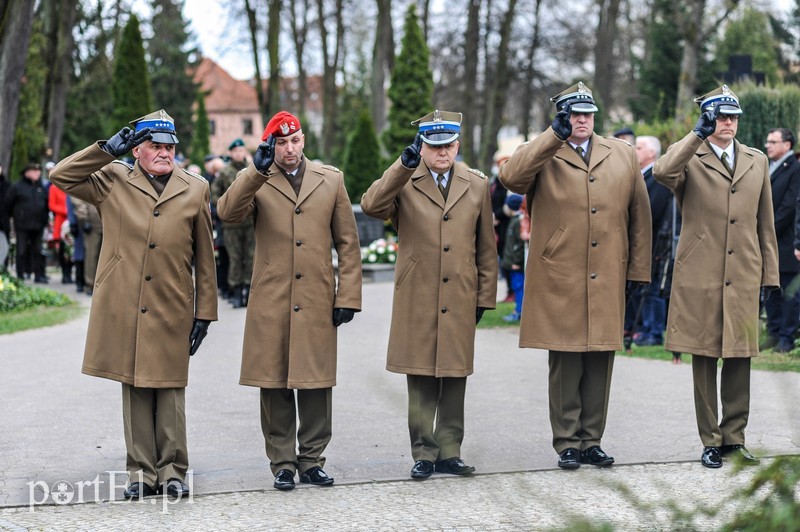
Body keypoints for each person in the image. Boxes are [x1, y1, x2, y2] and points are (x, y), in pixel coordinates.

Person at [49, 109, 218, 498]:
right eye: (155, 146)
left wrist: (205, 313)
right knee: (136, 386)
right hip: (126, 300)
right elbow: (62, 176)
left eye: (169, 147)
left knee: (171, 387)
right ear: (138, 149)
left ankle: (173, 471)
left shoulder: (195, 187)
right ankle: (141, 473)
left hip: (172, 300)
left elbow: (206, 258)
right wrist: (105, 151)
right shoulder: (112, 179)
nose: (163, 153)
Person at [499, 82, 652, 470]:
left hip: (608, 271)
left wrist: (638, 270)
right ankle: (567, 441)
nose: (580, 120)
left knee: (601, 356)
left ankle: (591, 440)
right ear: (562, 116)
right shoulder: (544, 151)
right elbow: (511, 179)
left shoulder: (622, 153)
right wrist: (553, 135)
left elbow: (639, 217)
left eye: (587, 113)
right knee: (566, 358)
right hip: (560, 272)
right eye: (573, 113)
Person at [217, 111, 362, 491]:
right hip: (272, 297)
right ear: (271, 146)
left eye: (294, 140)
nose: (290, 148)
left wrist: (347, 294)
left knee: (316, 382)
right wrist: (254, 171)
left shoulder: (331, 180)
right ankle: (282, 463)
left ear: (303, 140)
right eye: (281, 143)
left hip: (316, 296)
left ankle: (312, 460)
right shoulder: (257, 180)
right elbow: (227, 213)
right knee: (275, 381)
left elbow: (348, 242)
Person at [361, 110, 497, 480]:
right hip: (418, 292)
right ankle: (423, 451)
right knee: (420, 375)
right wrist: (400, 167)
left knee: (454, 374)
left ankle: (450, 451)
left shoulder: (476, 183)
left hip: (460, 293)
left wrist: (485, 296)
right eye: (434, 146)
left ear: (458, 145)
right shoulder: (405, 180)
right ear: (421, 147)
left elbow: (486, 246)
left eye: (449, 145)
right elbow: (372, 205)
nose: (442, 153)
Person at [653, 85, 779, 468]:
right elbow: (661, 172)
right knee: (705, 356)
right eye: (721, 116)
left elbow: (766, 224)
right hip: (701, 272)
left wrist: (769, 275)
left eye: (733, 117)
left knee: (740, 358)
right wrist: (696, 135)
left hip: (743, 272)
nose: (729, 123)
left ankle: (733, 438)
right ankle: (709, 439)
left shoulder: (756, 160)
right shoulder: (690, 156)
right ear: (708, 119)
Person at [630, 136, 675, 348]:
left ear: (652, 153)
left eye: (639, 147)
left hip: (656, 242)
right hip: (643, 242)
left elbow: (652, 210)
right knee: (643, 287)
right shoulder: (640, 176)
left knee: (654, 289)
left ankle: (654, 332)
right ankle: (644, 328)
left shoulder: (657, 178)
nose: (634, 150)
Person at [762, 128, 800, 353]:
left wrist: (767, 231)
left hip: (785, 240)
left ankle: (787, 337)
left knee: (789, 292)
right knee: (771, 288)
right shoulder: (770, 167)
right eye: (767, 142)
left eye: (773, 142)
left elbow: (789, 207)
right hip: (770, 241)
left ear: (787, 145)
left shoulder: (795, 168)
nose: (768, 145)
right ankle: (773, 334)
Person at [212, 139, 255, 308]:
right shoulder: (225, 173)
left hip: (250, 223)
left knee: (251, 256)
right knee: (235, 258)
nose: (239, 153)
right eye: (235, 151)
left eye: (241, 150)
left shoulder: (252, 170)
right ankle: (236, 291)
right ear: (231, 153)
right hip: (231, 224)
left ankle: (248, 290)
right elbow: (214, 194)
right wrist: (227, 204)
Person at [4, 163, 50, 283]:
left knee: (38, 250)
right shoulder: (17, 187)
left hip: (38, 225)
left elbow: (46, 205)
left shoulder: (41, 187)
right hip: (22, 225)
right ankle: (20, 275)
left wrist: (45, 220)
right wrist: (15, 217)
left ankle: (39, 275)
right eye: (34, 171)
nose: (38, 173)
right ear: (27, 172)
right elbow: (8, 204)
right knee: (21, 251)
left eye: (38, 171)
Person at [491, 150, 514, 303]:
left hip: (508, 224)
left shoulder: (510, 181)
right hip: (496, 224)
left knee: (509, 258)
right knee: (502, 257)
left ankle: (513, 291)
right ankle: (509, 290)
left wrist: (497, 215)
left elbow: (512, 206)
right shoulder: (495, 182)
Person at [501, 193, 526, 322]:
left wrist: (516, 261)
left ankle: (519, 312)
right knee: (517, 287)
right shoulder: (514, 220)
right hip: (511, 262)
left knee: (519, 286)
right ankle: (518, 310)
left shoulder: (519, 221)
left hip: (516, 264)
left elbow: (519, 244)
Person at [71, 196, 102, 295]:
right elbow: (78, 200)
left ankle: (104, 285)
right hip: (92, 224)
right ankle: (90, 284)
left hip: (108, 222)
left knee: (108, 256)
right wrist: (84, 219)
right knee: (91, 256)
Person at [48, 181, 73, 284]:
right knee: (62, 249)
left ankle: (69, 273)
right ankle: (64, 274)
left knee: (71, 249)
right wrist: (67, 211)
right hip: (60, 221)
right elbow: (52, 205)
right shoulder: (54, 188)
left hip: (71, 222)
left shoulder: (73, 185)